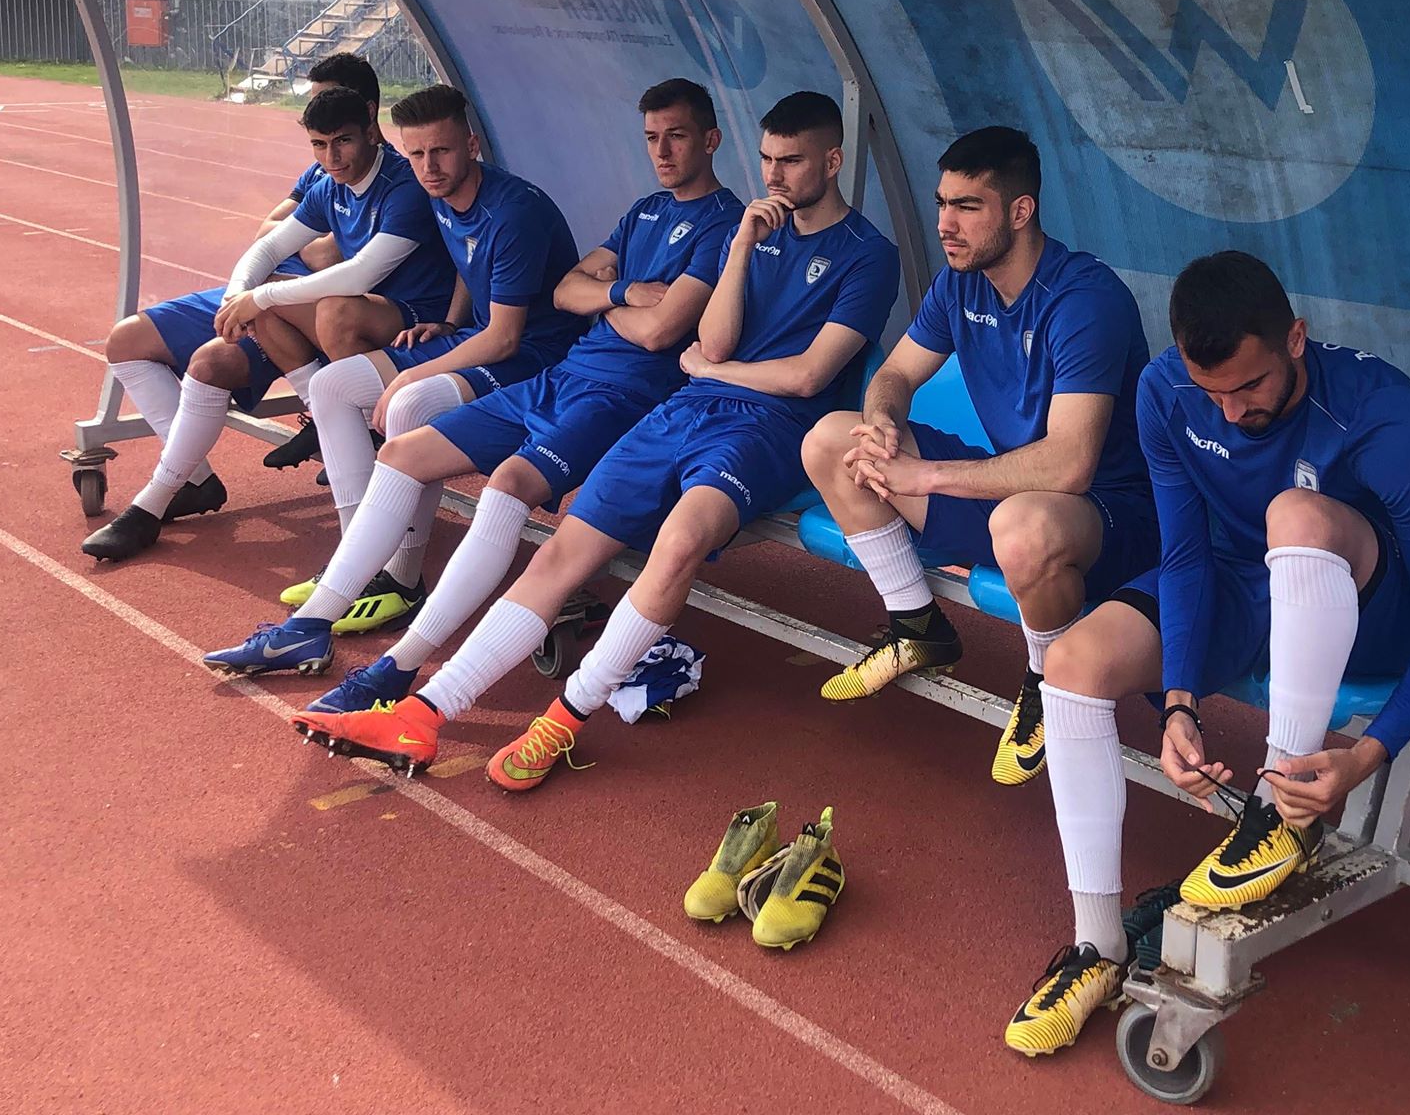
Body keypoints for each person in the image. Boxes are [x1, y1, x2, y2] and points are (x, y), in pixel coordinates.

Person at [290, 91, 899, 788]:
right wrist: (738, 251)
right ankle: (423, 711)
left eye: (790, 161)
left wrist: (714, 367)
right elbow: (711, 340)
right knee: (562, 552)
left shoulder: (868, 255)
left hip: (768, 428)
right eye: (766, 160)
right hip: (687, 405)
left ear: (832, 160)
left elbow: (807, 375)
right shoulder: (750, 233)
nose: (775, 177)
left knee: (677, 545)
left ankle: (561, 721)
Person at [1003, 250, 1410, 1057]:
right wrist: (1179, 702)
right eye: (1212, 393)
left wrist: (1366, 755)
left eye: (1250, 387)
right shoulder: (1166, 390)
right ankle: (1097, 949)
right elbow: (1186, 557)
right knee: (1072, 666)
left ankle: (1283, 808)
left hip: (1371, 608)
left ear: (1296, 338)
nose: (1230, 413)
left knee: (1295, 512)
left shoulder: (1379, 410)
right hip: (1240, 581)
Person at [200, 78, 742, 685]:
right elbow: (566, 289)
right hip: (566, 372)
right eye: (651, 137)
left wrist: (604, 300)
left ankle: (404, 654)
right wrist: (621, 293)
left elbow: (658, 330)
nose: (661, 151)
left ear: (711, 140)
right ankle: (318, 619)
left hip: (594, 381)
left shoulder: (723, 224)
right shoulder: (645, 210)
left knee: (476, 461)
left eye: (676, 136)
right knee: (395, 445)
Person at [801, 126, 1156, 786]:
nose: (945, 224)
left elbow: (1070, 465)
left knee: (1022, 526)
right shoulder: (959, 284)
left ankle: (1046, 682)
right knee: (831, 439)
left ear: (1020, 212)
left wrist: (925, 474)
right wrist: (881, 426)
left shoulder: (1085, 299)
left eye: (967, 207)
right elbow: (895, 375)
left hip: (1105, 515)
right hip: (1011, 502)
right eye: (942, 203)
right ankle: (917, 625)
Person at [81, 81, 454, 561]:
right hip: (337, 309)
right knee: (250, 312)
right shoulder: (328, 184)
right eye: (319, 144)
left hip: (406, 316)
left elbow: (363, 272)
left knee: (300, 305)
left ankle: (347, 428)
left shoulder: (403, 186)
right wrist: (238, 298)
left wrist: (259, 297)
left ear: (370, 131)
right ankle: (163, 496)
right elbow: (269, 245)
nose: (332, 156)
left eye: (342, 141)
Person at [285, 84, 588, 627]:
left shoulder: (513, 213)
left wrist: (411, 375)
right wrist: (450, 320)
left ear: (471, 146)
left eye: (441, 151)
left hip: (537, 355)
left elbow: (504, 339)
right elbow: (466, 263)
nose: (428, 166)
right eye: (418, 153)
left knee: (411, 403)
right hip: (479, 336)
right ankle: (356, 562)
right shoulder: (439, 193)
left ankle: (402, 580)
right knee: (331, 386)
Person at [90, 54, 379, 523]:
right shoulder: (320, 173)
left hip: (301, 308)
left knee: (209, 363)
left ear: (366, 114)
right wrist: (257, 282)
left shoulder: (386, 178)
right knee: (125, 342)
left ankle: (161, 495)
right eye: (313, 117)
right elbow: (267, 233)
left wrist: (288, 263)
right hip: (261, 290)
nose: (317, 121)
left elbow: (338, 260)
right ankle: (193, 480)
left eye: (329, 108)